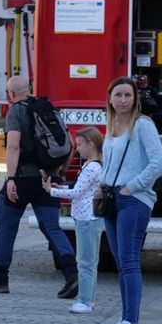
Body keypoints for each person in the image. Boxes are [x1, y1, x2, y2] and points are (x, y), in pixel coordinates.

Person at [0, 75, 78, 297]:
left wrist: (10, 179)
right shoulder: (48, 108)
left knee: (7, 226)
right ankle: (72, 274)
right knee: (52, 227)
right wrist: (60, 173)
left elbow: (13, 147)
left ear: (10, 95)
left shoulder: (16, 111)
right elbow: (69, 144)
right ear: (30, 89)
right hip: (48, 179)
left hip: (23, 179)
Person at [96, 76, 162, 324]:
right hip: (113, 198)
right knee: (120, 263)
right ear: (110, 98)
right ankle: (125, 319)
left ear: (135, 98)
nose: (123, 100)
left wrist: (132, 186)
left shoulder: (142, 125)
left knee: (129, 262)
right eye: (118, 95)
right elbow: (111, 163)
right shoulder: (112, 125)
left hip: (133, 200)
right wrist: (102, 184)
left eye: (128, 95)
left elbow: (158, 162)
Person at [44, 127, 105, 314]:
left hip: (86, 218)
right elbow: (81, 189)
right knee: (89, 261)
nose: (77, 149)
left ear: (91, 144)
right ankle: (87, 299)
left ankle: (85, 301)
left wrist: (51, 191)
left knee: (85, 261)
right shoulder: (94, 165)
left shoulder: (91, 167)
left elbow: (77, 193)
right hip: (88, 217)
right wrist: (60, 186)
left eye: (80, 144)